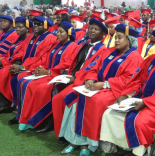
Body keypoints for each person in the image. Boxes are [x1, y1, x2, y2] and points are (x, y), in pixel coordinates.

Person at [58, 24, 143, 155]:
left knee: (95, 101)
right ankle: (75, 140)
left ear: (129, 40)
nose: (116, 40)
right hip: (97, 86)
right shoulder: (108, 51)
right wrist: (90, 79)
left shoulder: (135, 58)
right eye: (115, 37)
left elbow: (128, 80)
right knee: (75, 95)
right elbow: (93, 66)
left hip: (115, 90)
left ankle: (88, 144)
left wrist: (104, 84)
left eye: (120, 37)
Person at [100, 30, 155, 156]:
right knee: (110, 113)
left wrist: (146, 102)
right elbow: (138, 80)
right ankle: (120, 147)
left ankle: (138, 152)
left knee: (139, 121)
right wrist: (127, 95)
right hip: (139, 99)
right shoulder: (151, 59)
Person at [15, 21, 79, 132]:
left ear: (69, 33)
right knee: (26, 82)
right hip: (50, 74)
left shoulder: (73, 46)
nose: (57, 34)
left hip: (60, 77)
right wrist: (39, 68)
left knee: (40, 88)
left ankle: (45, 121)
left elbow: (67, 65)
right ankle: (27, 118)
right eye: (57, 31)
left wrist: (48, 72)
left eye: (61, 32)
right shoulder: (56, 46)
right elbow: (45, 59)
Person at [52, 17, 107, 141]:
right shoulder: (84, 44)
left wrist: (75, 78)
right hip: (74, 77)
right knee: (55, 94)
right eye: (91, 28)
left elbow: (93, 69)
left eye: (96, 29)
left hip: (82, 82)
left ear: (103, 34)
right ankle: (61, 130)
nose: (92, 31)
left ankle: (65, 133)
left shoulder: (102, 49)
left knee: (60, 98)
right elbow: (75, 62)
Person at [0, 17, 32, 115]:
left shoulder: (29, 39)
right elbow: (9, 52)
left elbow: (20, 55)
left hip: (19, 63)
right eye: (16, 27)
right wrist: (2, 59)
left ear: (27, 28)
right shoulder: (19, 38)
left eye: (20, 27)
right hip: (9, 61)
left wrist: (4, 61)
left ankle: (4, 106)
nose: (18, 29)